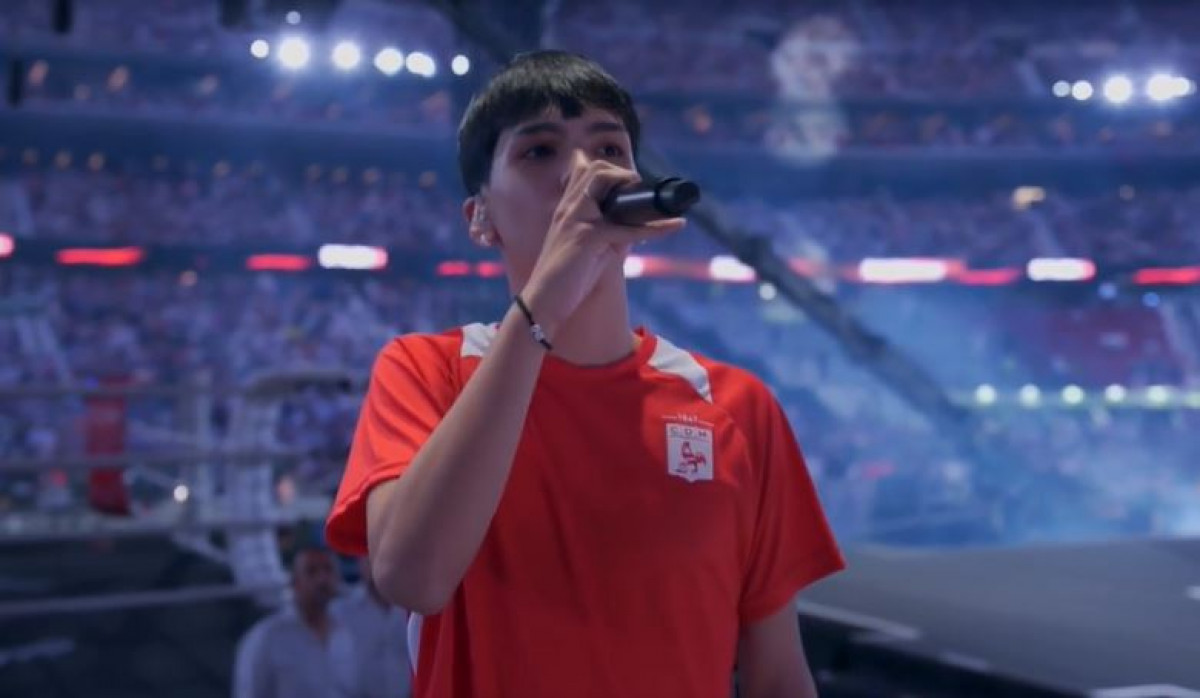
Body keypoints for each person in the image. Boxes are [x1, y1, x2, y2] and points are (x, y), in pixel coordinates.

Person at [325, 50, 845, 698]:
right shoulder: (426, 371)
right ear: (480, 217)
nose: (582, 172)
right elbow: (413, 577)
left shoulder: (739, 408)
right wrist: (550, 294)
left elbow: (777, 676)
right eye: (539, 151)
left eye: (608, 148)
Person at [232, 545, 341, 698]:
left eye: (328, 570)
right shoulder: (266, 638)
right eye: (311, 571)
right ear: (294, 583)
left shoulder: (348, 631)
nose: (322, 579)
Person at [330, 557, 414, 698]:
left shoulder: (413, 607)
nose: (377, 565)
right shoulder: (341, 610)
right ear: (360, 564)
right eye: (369, 559)